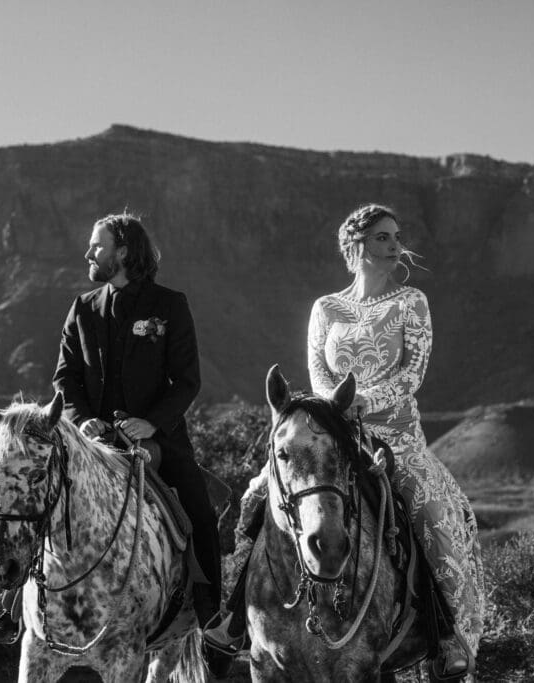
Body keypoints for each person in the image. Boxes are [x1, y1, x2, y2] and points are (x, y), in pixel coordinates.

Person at [205, 204, 486, 680]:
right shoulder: (326, 308)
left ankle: (448, 636)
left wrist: (359, 403)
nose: (395, 245)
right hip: (334, 432)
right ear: (355, 247)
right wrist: (335, 411)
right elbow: (318, 374)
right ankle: (236, 616)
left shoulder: (411, 302)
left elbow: (411, 377)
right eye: (382, 237)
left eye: (396, 236)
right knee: (258, 498)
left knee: (435, 515)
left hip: (396, 436)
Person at [0, 213, 223, 659]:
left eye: (97, 246)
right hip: (87, 440)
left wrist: (152, 423)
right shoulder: (82, 308)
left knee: (201, 513)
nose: (89, 254)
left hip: (155, 439)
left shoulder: (170, 306)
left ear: (123, 252)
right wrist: (83, 419)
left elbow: (187, 381)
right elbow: (64, 378)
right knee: (42, 498)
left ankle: (213, 616)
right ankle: (11, 602)